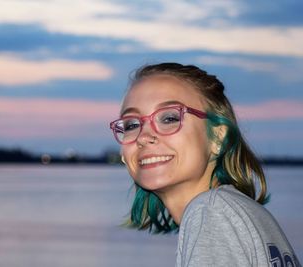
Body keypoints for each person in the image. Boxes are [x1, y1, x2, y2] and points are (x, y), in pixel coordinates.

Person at [109, 63, 301, 266]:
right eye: (132, 124)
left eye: (169, 118)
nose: (144, 137)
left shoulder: (211, 212)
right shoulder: (245, 216)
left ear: (217, 138)